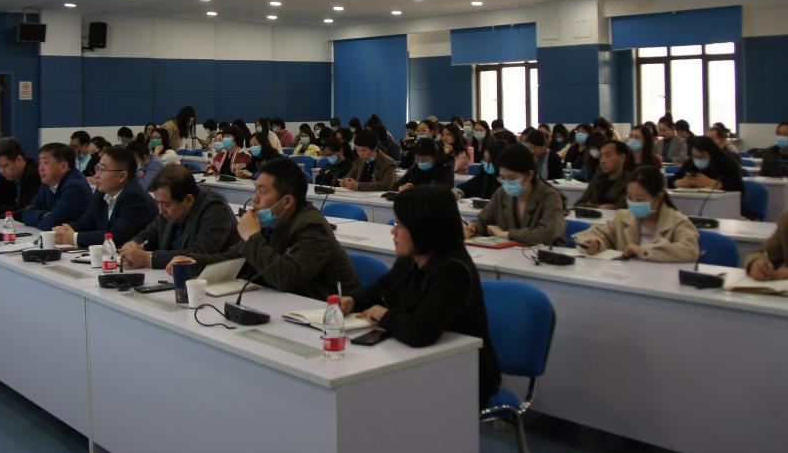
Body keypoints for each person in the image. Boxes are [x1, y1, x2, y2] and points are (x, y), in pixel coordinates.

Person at [340, 187, 501, 407]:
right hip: (424, 362)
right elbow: (381, 289)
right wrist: (353, 301)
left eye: (400, 225)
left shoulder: (452, 270)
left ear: (424, 227)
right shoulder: (413, 257)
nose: (393, 231)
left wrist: (383, 314)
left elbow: (419, 331)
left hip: (463, 374)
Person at [168, 158, 361, 299]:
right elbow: (234, 258)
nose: (255, 199)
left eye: (262, 191)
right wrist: (192, 262)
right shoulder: (271, 221)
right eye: (255, 190)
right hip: (286, 306)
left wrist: (252, 236)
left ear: (287, 202)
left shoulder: (311, 227)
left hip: (330, 316)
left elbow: (286, 277)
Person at [119, 166, 237, 270]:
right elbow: (151, 233)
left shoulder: (215, 210)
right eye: (158, 203)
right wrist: (134, 243)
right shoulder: (167, 209)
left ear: (188, 200)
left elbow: (199, 255)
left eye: (166, 205)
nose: (161, 211)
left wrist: (149, 259)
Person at [574, 166, 700, 263]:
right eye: (630, 198)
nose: (633, 203)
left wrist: (642, 250)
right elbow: (597, 233)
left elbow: (690, 250)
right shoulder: (623, 217)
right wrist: (595, 243)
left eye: (639, 199)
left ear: (658, 198)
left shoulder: (678, 222)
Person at [53, 146, 154, 249]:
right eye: (97, 168)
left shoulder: (136, 198)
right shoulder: (102, 192)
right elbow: (87, 222)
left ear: (122, 176)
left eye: (102, 170)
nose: (96, 175)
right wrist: (66, 230)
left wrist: (74, 238)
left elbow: (116, 237)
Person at [464, 143, 564, 245]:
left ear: (529, 175)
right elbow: (484, 221)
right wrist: (474, 227)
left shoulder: (550, 197)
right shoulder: (501, 193)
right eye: (502, 178)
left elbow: (547, 233)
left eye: (511, 178)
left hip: (544, 253)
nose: (506, 183)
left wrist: (506, 234)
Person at [21, 143, 92, 229]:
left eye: (45, 163)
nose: (40, 168)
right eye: (40, 163)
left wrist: (43, 218)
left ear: (63, 166)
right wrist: (43, 215)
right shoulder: (48, 183)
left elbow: (51, 225)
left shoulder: (75, 187)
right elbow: (25, 214)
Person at [671, 136, 746, 195]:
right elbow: (670, 181)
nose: (698, 160)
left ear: (711, 153)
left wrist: (713, 184)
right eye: (695, 157)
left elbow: (739, 187)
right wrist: (679, 182)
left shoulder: (726, 163)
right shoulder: (690, 163)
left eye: (702, 157)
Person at [575, 140, 634, 209]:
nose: (602, 161)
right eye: (601, 156)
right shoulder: (598, 179)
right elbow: (578, 204)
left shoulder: (630, 183)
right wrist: (598, 207)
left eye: (608, 156)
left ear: (622, 158)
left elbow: (622, 208)